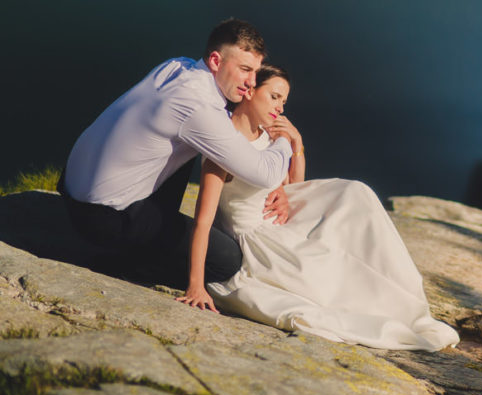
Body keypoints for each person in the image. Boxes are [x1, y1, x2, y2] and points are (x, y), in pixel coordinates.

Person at [176, 65, 459, 351]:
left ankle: (403, 299)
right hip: (254, 245)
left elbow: (294, 188)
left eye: (283, 101)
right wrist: (196, 285)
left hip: (277, 227)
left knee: (355, 196)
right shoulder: (224, 147)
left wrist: (296, 143)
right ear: (249, 91)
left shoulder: (269, 136)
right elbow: (203, 221)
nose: (280, 107)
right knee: (324, 282)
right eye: (274, 97)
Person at [59, 19, 294, 284]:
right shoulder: (198, 108)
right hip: (102, 219)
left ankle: (148, 238)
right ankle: (127, 266)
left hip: (69, 188)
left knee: (185, 145)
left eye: (256, 72)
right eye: (245, 70)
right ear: (216, 61)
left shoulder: (177, 66)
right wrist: (284, 138)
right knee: (226, 262)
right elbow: (265, 174)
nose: (251, 82)